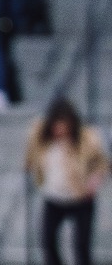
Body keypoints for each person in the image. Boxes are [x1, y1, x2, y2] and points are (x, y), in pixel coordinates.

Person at [27, 97, 106, 265]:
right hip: (54, 198)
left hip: (80, 197)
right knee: (48, 242)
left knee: (81, 247)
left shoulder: (85, 138)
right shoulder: (41, 138)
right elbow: (30, 156)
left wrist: (95, 179)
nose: (60, 130)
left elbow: (101, 163)